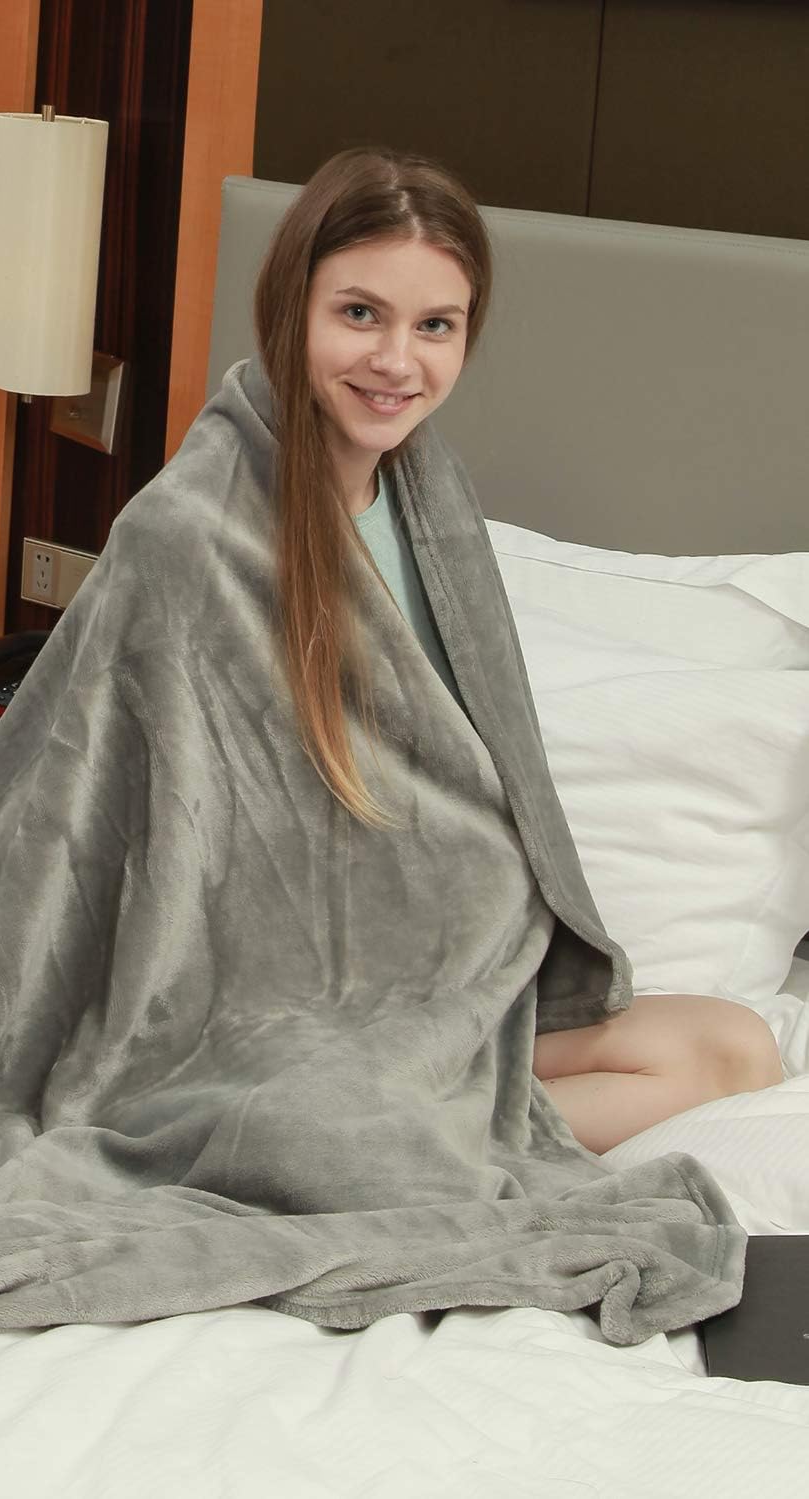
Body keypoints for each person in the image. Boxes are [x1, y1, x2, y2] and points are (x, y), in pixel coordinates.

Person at [255, 146, 783, 1156]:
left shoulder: (430, 505)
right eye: (360, 313)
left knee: (736, 1048)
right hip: (286, 998)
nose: (396, 360)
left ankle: (395, 1143)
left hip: (438, 980)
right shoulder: (207, 527)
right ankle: (341, 1135)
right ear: (293, 306)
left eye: (435, 325)